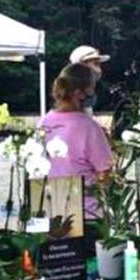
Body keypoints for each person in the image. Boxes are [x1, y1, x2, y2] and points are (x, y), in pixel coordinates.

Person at [38, 64, 114, 222]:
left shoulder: (44, 122)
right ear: (80, 93)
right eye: (92, 88)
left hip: (51, 210)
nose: (93, 94)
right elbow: (105, 172)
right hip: (87, 213)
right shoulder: (88, 127)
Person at [69, 45, 110, 115]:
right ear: (81, 66)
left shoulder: (101, 90)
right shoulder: (69, 93)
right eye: (96, 64)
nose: (99, 70)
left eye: (99, 65)